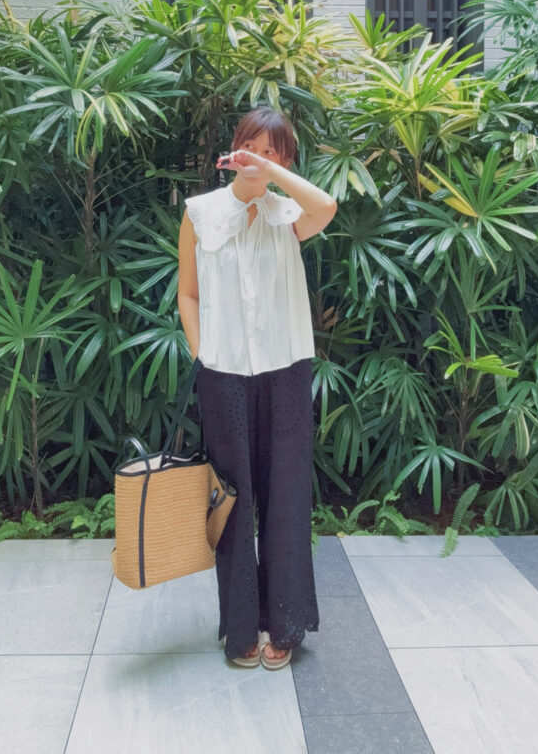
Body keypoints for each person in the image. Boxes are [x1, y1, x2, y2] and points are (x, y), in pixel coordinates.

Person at [177, 106, 337, 669]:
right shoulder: (200, 213)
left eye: (274, 152)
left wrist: (271, 173)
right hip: (223, 375)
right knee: (233, 501)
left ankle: (286, 625)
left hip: (285, 370)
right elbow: (187, 294)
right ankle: (241, 628)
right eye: (252, 147)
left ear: (285, 161)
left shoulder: (290, 213)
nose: (259, 159)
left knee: (286, 498)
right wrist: (201, 352)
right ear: (234, 146)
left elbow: (327, 206)